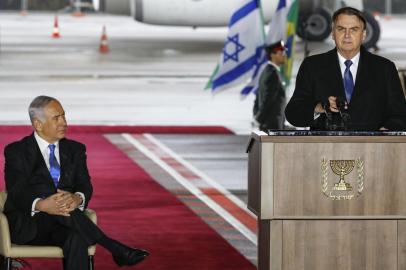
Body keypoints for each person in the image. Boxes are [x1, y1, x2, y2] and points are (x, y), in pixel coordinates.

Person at [3, 96, 149, 270]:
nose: (64, 122)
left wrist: (77, 199)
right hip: (29, 224)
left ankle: (117, 249)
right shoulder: (16, 151)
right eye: (56, 118)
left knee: (75, 237)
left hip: (64, 223)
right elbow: (16, 189)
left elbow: (84, 184)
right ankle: (113, 247)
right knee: (60, 206)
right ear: (38, 124)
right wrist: (42, 205)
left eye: (64, 116)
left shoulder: (75, 150)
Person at [285, 7, 406, 131]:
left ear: (364, 34)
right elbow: (293, 113)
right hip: (325, 148)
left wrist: (385, 132)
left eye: (354, 29)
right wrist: (319, 107)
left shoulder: (384, 68)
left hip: (372, 148)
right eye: (341, 29)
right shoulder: (312, 66)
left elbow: (401, 115)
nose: (347, 35)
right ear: (332, 33)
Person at [253, 40, 287, 131]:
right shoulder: (273, 74)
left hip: (270, 124)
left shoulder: (267, 71)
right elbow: (268, 99)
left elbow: (258, 97)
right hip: (272, 125)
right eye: (281, 52)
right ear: (272, 55)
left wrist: (256, 115)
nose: (284, 55)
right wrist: (259, 119)